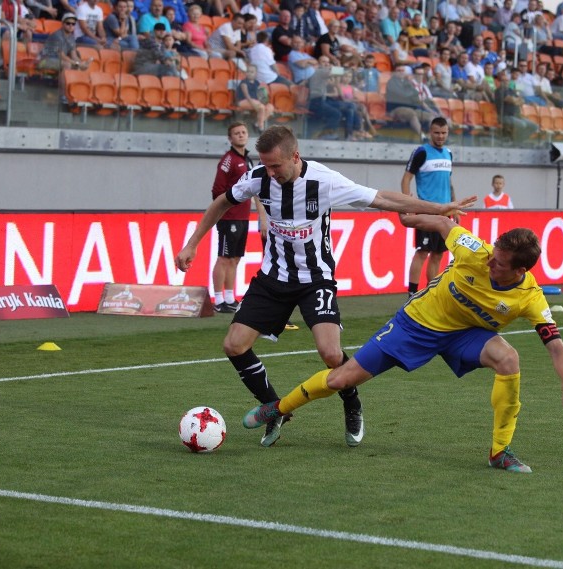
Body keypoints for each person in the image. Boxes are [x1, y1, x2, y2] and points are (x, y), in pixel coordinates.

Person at [174, 126, 475, 448]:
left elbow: (383, 198)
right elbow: (221, 201)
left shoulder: (324, 181)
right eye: (266, 165)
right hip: (273, 277)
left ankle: (352, 401)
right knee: (234, 345)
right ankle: (274, 409)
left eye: (276, 166)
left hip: (316, 277)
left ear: (295, 157)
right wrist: (192, 244)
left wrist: (438, 208)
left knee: (331, 353)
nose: (270, 173)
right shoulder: (258, 177)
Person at [242, 217, 563, 472]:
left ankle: (500, 452)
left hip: (464, 335)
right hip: (415, 324)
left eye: (497, 262)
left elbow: (554, 344)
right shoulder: (474, 250)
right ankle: (279, 408)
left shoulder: (530, 297)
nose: (489, 261)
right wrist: (410, 215)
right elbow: (441, 221)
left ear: (519, 271)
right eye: (492, 254)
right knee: (340, 380)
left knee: (508, 358)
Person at [402, 117, 454, 297]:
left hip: (445, 212)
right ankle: (412, 293)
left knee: (438, 254)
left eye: (444, 133)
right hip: (427, 210)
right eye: (437, 133)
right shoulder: (422, 152)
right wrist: (407, 204)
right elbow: (406, 179)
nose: (440, 136)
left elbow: (449, 181)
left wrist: (453, 206)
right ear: (430, 132)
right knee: (423, 251)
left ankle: (431, 292)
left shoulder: (448, 153)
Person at [211, 122, 256, 314]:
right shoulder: (228, 160)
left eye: (244, 132)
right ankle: (218, 298)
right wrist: (226, 207)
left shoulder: (249, 160)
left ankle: (230, 297)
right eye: (236, 133)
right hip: (229, 217)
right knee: (224, 257)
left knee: (235, 259)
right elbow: (217, 190)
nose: (241, 135)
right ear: (230, 138)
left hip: (243, 217)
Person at [235, 65, 274, 133]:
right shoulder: (244, 83)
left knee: (270, 107)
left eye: (252, 72)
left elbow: (260, 95)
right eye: (248, 71)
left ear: (256, 73)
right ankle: (261, 127)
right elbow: (247, 96)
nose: (249, 73)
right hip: (244, 101)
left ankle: (256, 124)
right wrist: (255, 105)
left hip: (256, 102)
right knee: (261, 107)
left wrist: (263, 100)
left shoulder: (257, 83)